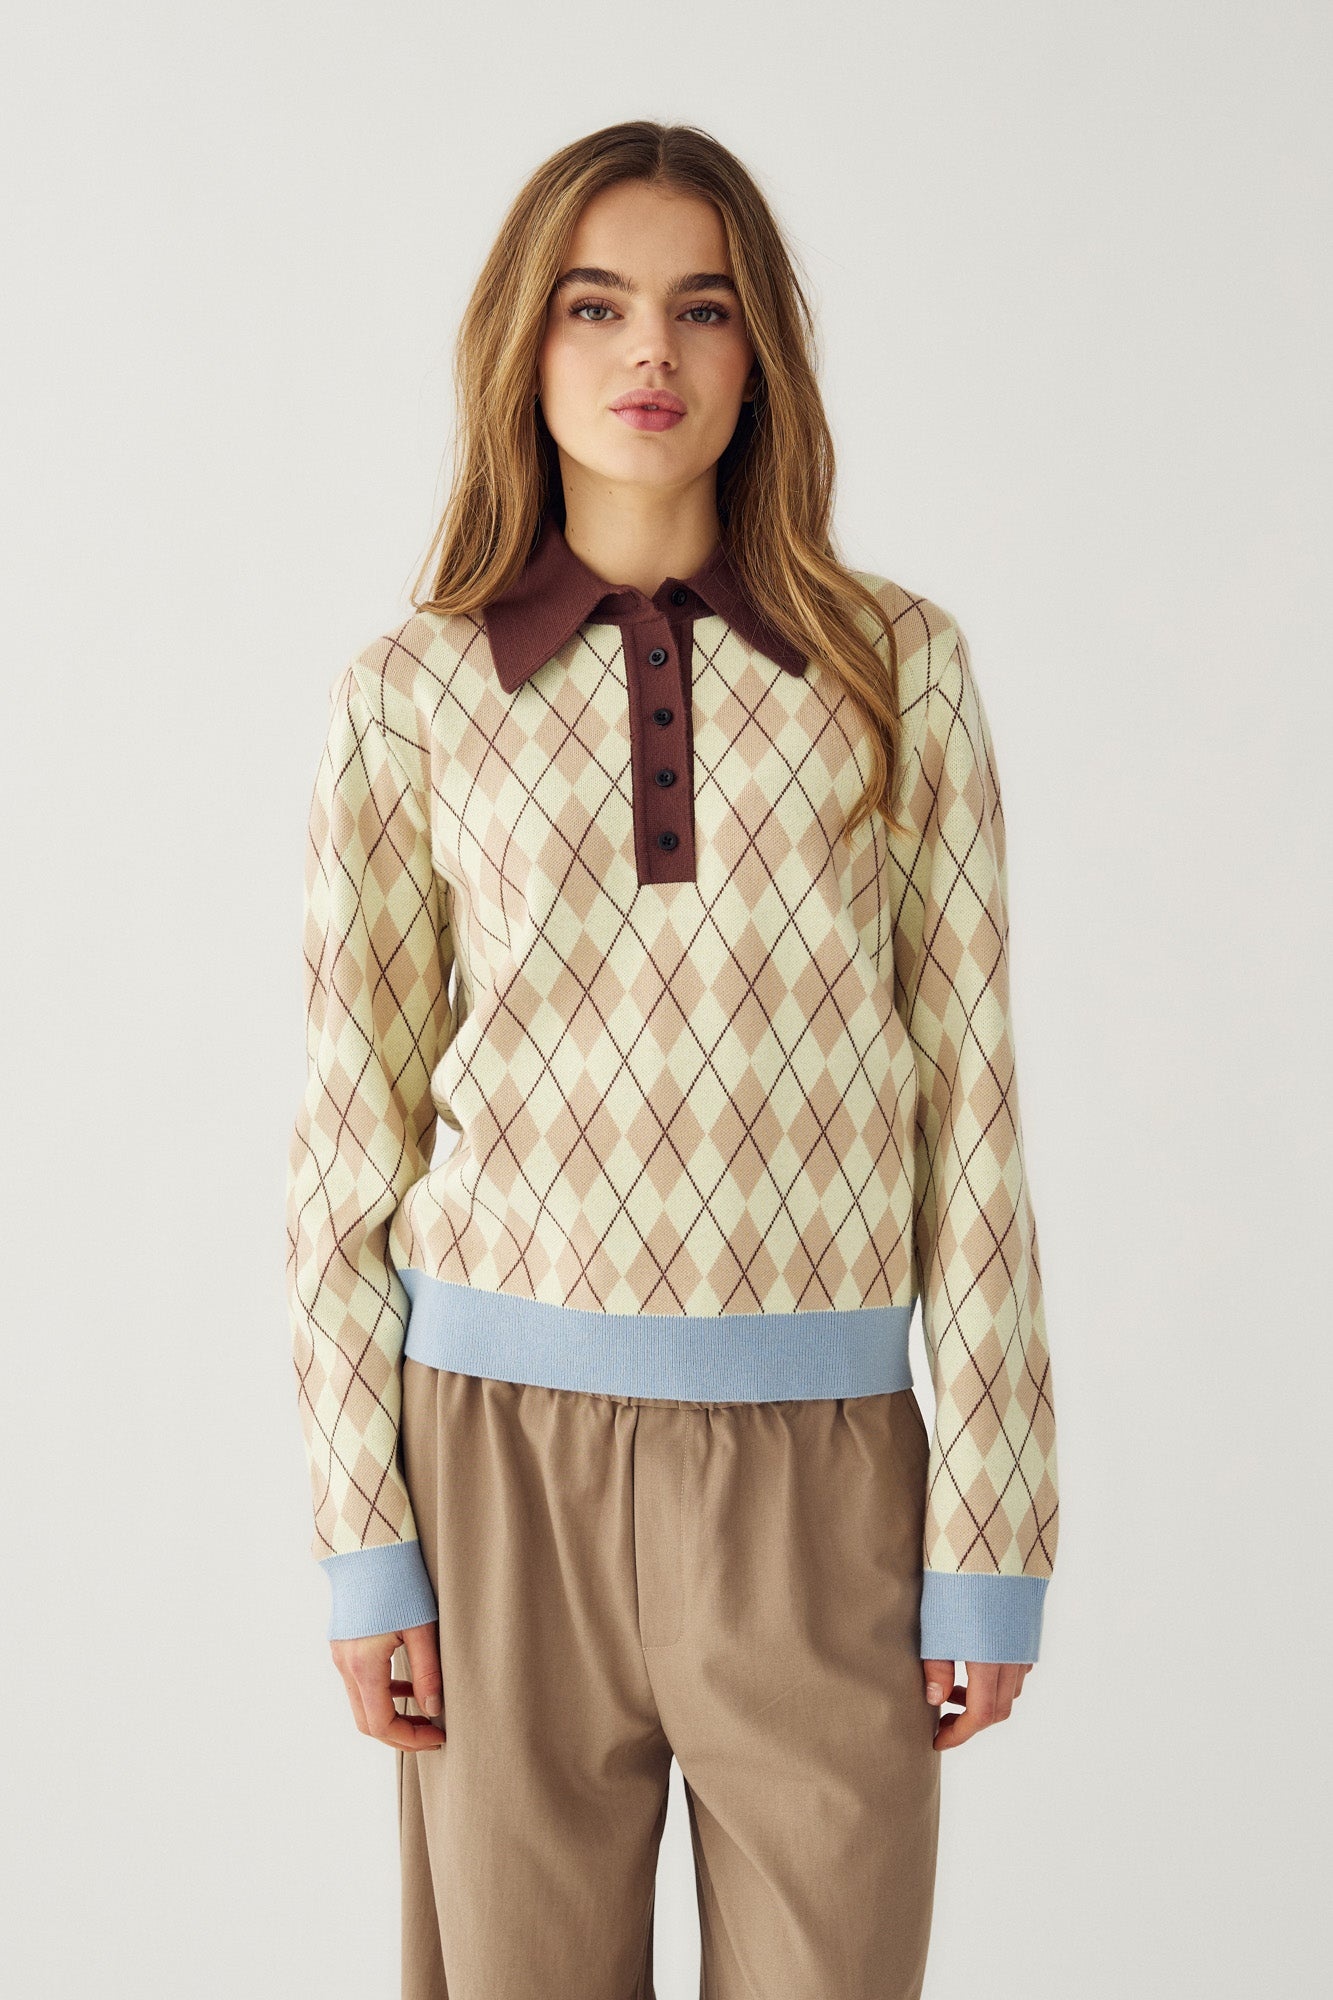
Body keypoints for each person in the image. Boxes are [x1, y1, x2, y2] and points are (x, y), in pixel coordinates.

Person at [285, 119, 1059, 2000]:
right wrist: (365, 1537)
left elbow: (972, 1115)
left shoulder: (895, 672)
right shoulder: (410, 695)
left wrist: (992, 1526)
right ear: (524, 347)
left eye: (702, 309)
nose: (651, 351)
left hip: (821, 1473)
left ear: (759, 348)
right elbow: (344, 1141)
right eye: (596, 307)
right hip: (494, 1465)